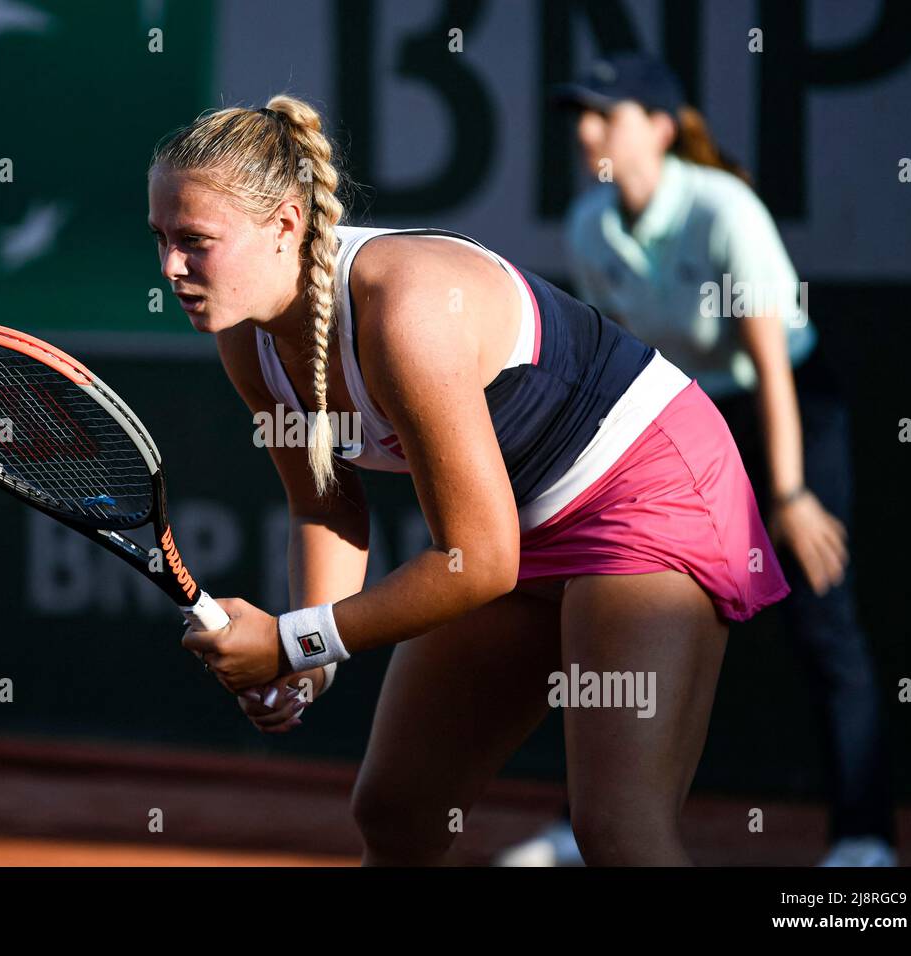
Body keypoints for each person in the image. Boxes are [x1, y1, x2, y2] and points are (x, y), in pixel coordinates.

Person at [153, 94, 789, 866]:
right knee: (397, 809)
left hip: (647, 488)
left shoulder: (405, 310)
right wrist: (310, 667)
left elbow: (480, 561)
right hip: (520, 528)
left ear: (286, 224)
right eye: (159, 240)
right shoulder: (246, 339)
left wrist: (292, 640)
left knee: (618, 833)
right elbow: (324, 499)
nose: (170, 269)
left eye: (195, 241)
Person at [499, 54, 894, 868]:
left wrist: (787, 494)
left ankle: (863, 840)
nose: (585, 131)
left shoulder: (725, 211)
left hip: (780, 406)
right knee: (619, 613)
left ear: (661, 129)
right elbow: (612, 366)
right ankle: (589, 826)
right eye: (581, 114)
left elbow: (771, 364)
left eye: (605, 114)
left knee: (825, 621)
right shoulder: (588, 225)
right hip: (675, 414)